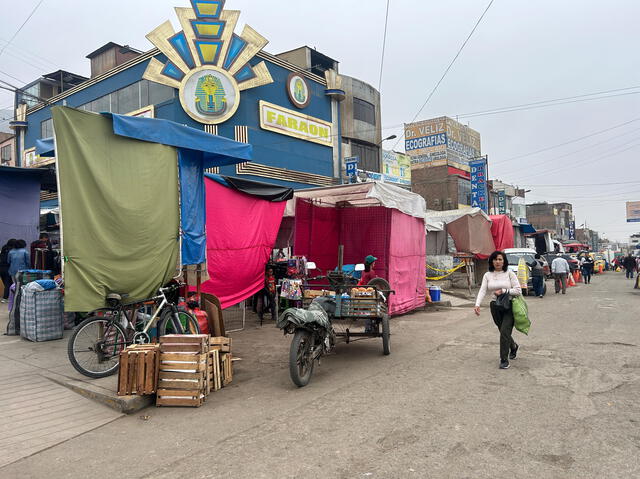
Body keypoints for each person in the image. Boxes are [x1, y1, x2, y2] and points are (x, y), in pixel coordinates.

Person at [474, 251, 522, 370]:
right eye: (495, 259)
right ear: (491, 261)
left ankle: (504, 360)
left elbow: (518, 290)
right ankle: (513, 346)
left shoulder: (509, 273)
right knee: (503, 331)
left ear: (504, 261)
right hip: (495, 306)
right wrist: (477, 304)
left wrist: (504, 291)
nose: (497, 262)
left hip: (509, 306)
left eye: (500, 259)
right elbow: (483, 290)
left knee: (505, 332)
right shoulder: (487, 275)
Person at [0, 239, 16, 303]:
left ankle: (10, 296)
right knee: (8, 283)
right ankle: (5, 298)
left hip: (1, 268)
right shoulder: (11, 250)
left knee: (7, 283)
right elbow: (10, 261)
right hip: (7, 268)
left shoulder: (4, 248)